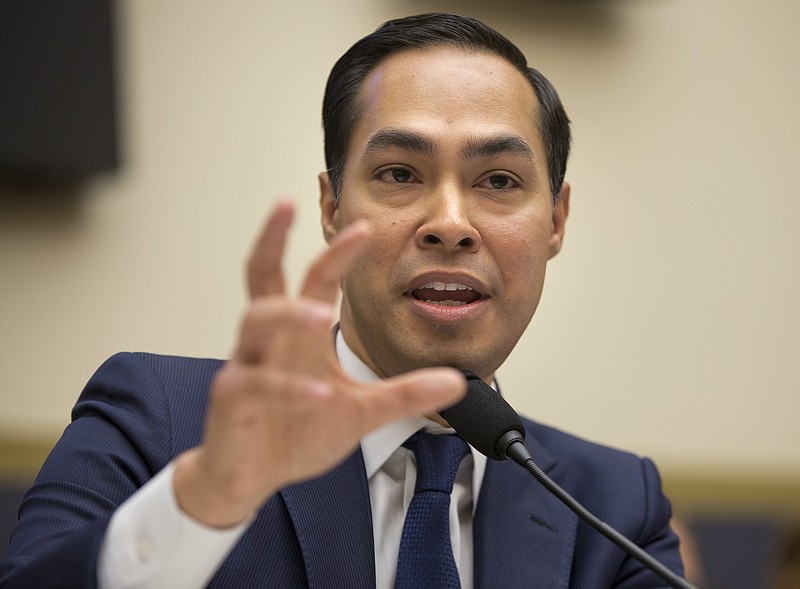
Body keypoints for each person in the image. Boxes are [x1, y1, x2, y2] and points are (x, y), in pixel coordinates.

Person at [0, 13, 684, 589]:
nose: (450, 221)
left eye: (499, 180)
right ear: (332, 207)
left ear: (557, 221)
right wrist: (202, 501)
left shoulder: (614, 509)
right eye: (399, 173)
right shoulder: (161, 418)